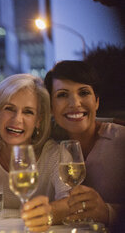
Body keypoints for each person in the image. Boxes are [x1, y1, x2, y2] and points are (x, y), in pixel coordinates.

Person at [0, 74, 70, 232]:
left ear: (39, 120)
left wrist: (51, 212)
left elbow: (70, 201)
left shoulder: (56, 156)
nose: (17, 119)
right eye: (9, 109)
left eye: (28, 112)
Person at [44, 60, 125, 226]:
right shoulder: (49, 146)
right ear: (51, 107)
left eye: (84, 93)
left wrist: (108, 212)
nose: (75, 103)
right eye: (62, 95)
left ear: (96, 101)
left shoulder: (121, 141)